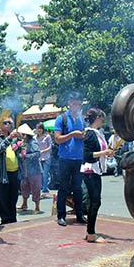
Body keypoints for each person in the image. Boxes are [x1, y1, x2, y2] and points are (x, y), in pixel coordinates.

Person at [54, 91, 86, 226]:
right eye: (74, 103)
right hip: (65, 158)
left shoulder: (81, 119)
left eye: (79, 104)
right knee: (63, 188)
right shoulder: (62, 118)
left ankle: (80, 214)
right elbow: (57, 139)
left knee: (78, 188)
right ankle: (61, 215)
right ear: (69, 104)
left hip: (78, 158)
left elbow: (84, 135)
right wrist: (72, 134)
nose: (76, 106)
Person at [81, 109, 114, 243]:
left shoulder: (97, 133)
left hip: (95, 170)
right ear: (97, 118)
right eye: (102, 118)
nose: (103, 121)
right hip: (90, 170)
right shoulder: (89, 134)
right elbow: (86, 155)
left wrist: (106, 153)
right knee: (95, 202)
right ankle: (91, 233)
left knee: (94, 202)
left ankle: (90, 231)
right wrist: (103, 152)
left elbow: (98, 152)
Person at [0, 117, 20, 224]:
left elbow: (21, 151)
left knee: (13, 197)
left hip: (15, 171)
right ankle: (5, 219)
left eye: (10, 123)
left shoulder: (14, 139)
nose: (8, 125)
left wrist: (21, 144)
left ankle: (13, 219)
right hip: (3, 173)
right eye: (5, 123)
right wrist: (9, 138)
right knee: (3, 198)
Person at [17, 124, 43, 214]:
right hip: (24, 170)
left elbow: (37, 154)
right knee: (24, 187)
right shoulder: (22, 143)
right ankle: (24, 204)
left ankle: (37, 207)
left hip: (34, 170)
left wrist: (26, 156)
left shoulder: (33, 143)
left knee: (36, 188)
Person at [35, 122, 52, 198]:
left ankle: (44, 190)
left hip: (46, 157)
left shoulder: (47, 136)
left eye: (40, 128)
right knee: (40, 175)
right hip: (38, 158)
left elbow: (50, 147)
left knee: (45, 174)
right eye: (37, 128)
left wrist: (43, 151)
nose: (39, 130)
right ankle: (44, 187)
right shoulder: (35, 137)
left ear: (42, 129)